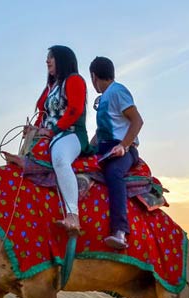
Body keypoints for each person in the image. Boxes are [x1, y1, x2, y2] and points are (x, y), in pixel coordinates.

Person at [32, 45, 91, 233]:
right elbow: (43, 115)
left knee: (60, 159)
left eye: (52, 57)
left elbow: (75, 110)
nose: (47, 61)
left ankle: (73, 215)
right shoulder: (51, 88)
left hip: (71, 134)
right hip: (50, 136)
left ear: (63, 60)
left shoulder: (74, 81)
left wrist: (54, 130)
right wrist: (33, 129)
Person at [89, 56, 143, 249]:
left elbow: (137, 120)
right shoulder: (104, 98)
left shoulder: (118, 91)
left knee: (114, 173)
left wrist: (124, 145)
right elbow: (101, 131)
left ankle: (120, 231)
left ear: (94, 76)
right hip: (104, 148)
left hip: (123, 150)